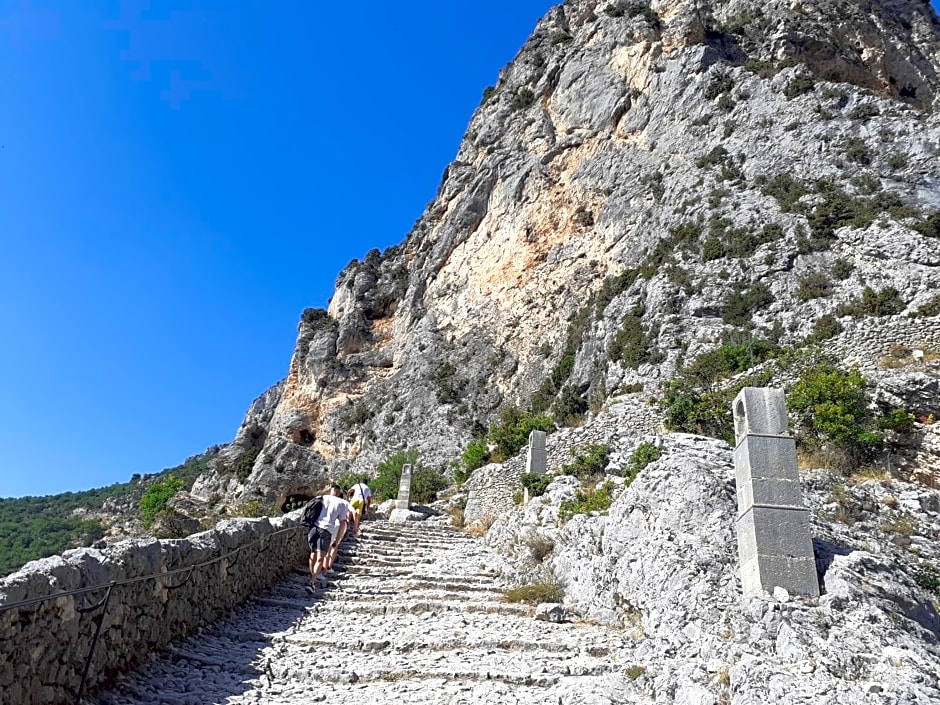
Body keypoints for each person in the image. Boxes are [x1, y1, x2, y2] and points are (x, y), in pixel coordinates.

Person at [307, 484, 350, 593]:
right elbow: (343, 523)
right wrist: (337, 539)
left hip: (314, 528)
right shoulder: (343, 503)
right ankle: (312, 581)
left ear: (331, 490)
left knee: (313, 554)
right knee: (320, 558)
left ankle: (312, 577)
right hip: (326, 531)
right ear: (339, 492)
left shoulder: (322, 497)